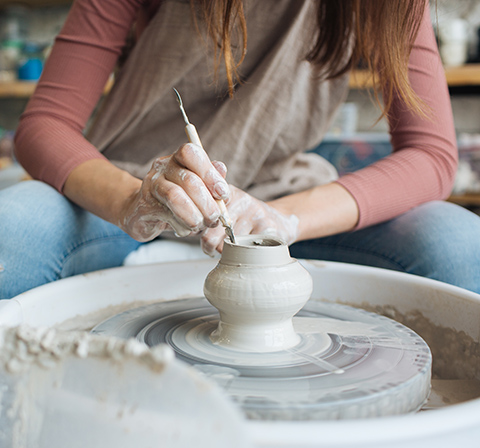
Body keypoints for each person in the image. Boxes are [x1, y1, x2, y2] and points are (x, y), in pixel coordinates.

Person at [1, 0, 480, 299]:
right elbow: (45, 125)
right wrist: (132, 202)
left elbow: (431, 155)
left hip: (281, 198)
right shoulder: (135, 198)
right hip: (136, 194)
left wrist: (283, 219)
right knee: (10, 234)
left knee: (459, 247)